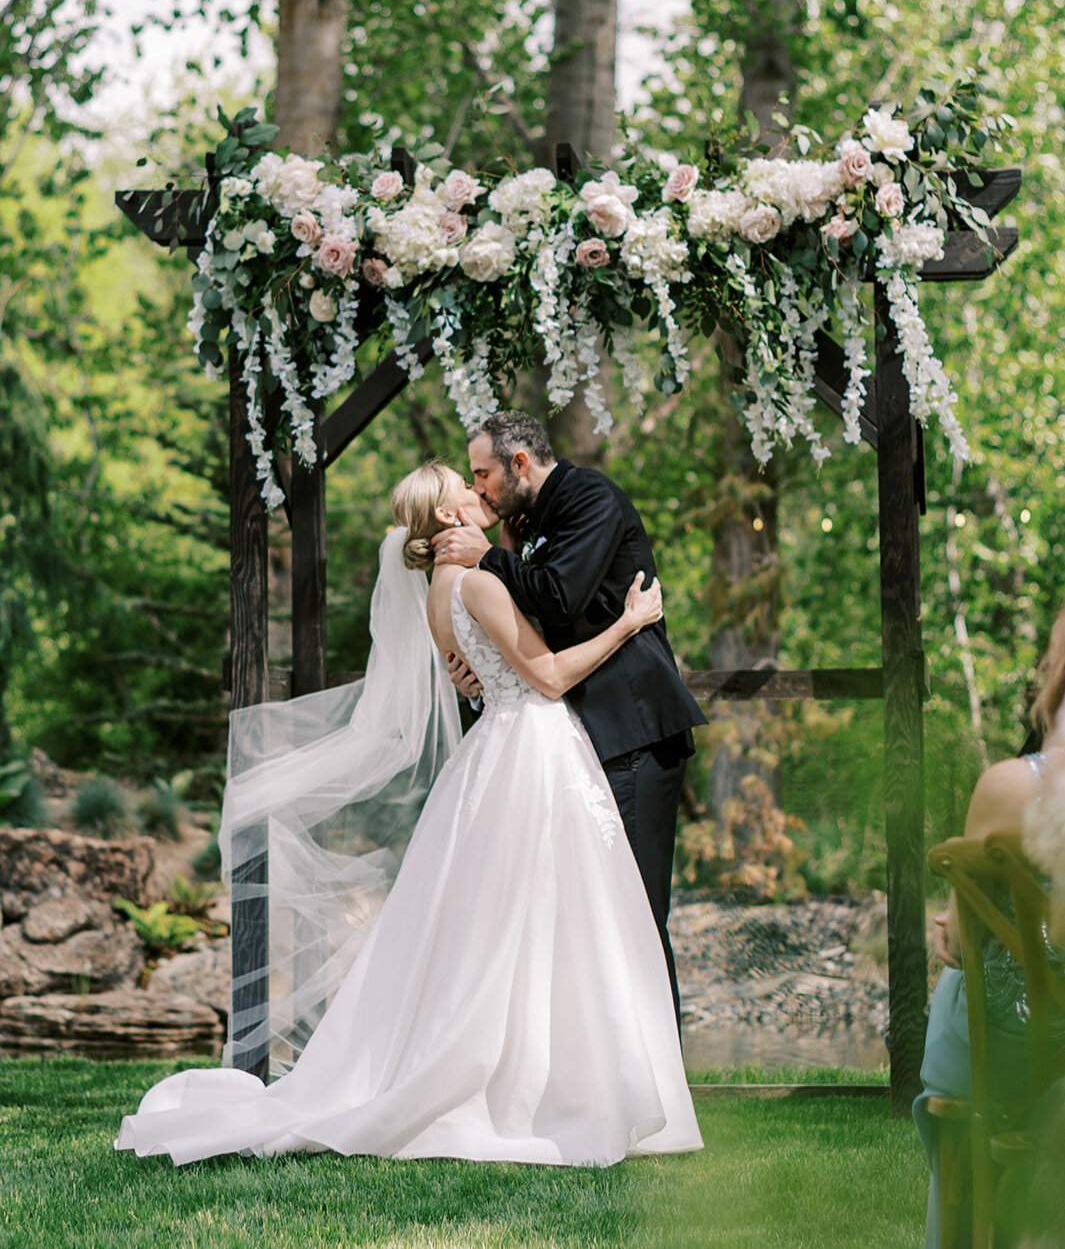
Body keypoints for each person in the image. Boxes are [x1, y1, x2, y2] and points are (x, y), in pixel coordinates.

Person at [115, 460, 703, 1167]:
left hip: (496, 750)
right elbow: (545, 677)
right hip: (531, 750)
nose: (479, 490)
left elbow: (484, 676)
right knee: (550, 921)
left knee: (509, 929)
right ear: (448, 513)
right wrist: (629, 623)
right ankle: (547, 1088)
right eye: (466, 483)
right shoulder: (481, 581)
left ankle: (549, 1079)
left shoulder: (438, 592)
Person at [432, 412, 707, 1026]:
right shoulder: (524, 525)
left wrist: (486, 558)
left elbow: (560, 596)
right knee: (588, 920)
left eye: (484, 475)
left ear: (520, 464)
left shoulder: (590, 497)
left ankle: (664, 1087)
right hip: (575, 739)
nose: (479, 490)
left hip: (631, 731)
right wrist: (469, 666)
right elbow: (525, 631)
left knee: (634, 914)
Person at [915, 603, 1065, 1247]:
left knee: (974, 986)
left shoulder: (1011, 786)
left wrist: (949, 925)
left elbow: (961, 941)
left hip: (1006, 1043)